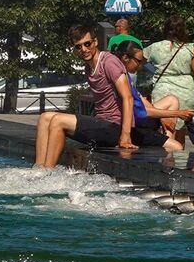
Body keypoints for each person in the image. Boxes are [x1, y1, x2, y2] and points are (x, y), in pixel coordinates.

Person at [35, 26, 130, 168]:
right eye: (78, 47)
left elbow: (128, 98)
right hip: (101, 124)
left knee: (58, 121)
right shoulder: (89, 67)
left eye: (87, 44)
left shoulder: (108, 62)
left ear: (95, 42)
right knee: (44, 118)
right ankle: (38, 167)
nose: (84, 49)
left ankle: (48, 171)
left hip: (113, 128)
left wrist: (125, 135)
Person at [143, 15, 194, 141]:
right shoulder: (190, 48)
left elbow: (136, 63)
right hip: (186, 92)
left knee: (166, 128)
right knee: (181, 130)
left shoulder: (154, 47)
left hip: (163, 91)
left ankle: (166, 156)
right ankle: (179, 157)